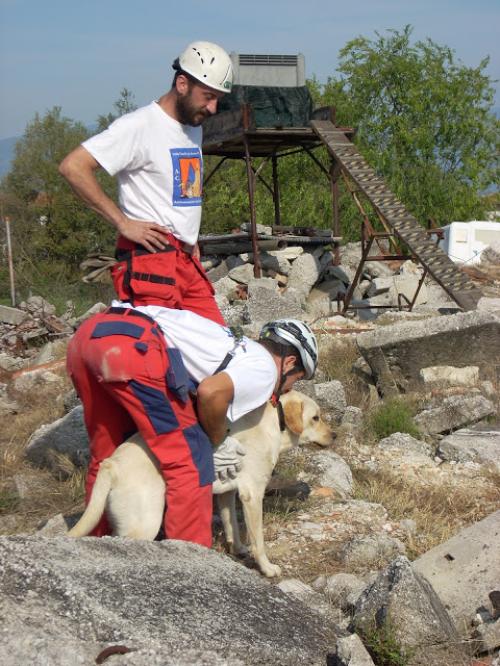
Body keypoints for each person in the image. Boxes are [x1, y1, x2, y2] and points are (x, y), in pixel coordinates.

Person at [66, 304, 318, 549]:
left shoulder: (239, 346)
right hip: (136, 348)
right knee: (191, 460)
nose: (290, 388)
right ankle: (189, 564)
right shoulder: (265, 369)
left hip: (90, 336)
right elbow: (211, 392)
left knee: (110, 450)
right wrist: (217, 442)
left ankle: (94, 547)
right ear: (288, 362)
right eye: (297, 378)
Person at [59, 41, 233, 324]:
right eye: (208, 96)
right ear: (182, 83)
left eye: (218, 100)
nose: (213, 108)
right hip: (151, 260)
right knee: (154, 353)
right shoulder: (139, 126)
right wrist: (122, 223)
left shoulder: (193, 128)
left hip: (186, 260)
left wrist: (191, 238)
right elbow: (73, 167)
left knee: (216, 347)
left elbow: (179, 192)